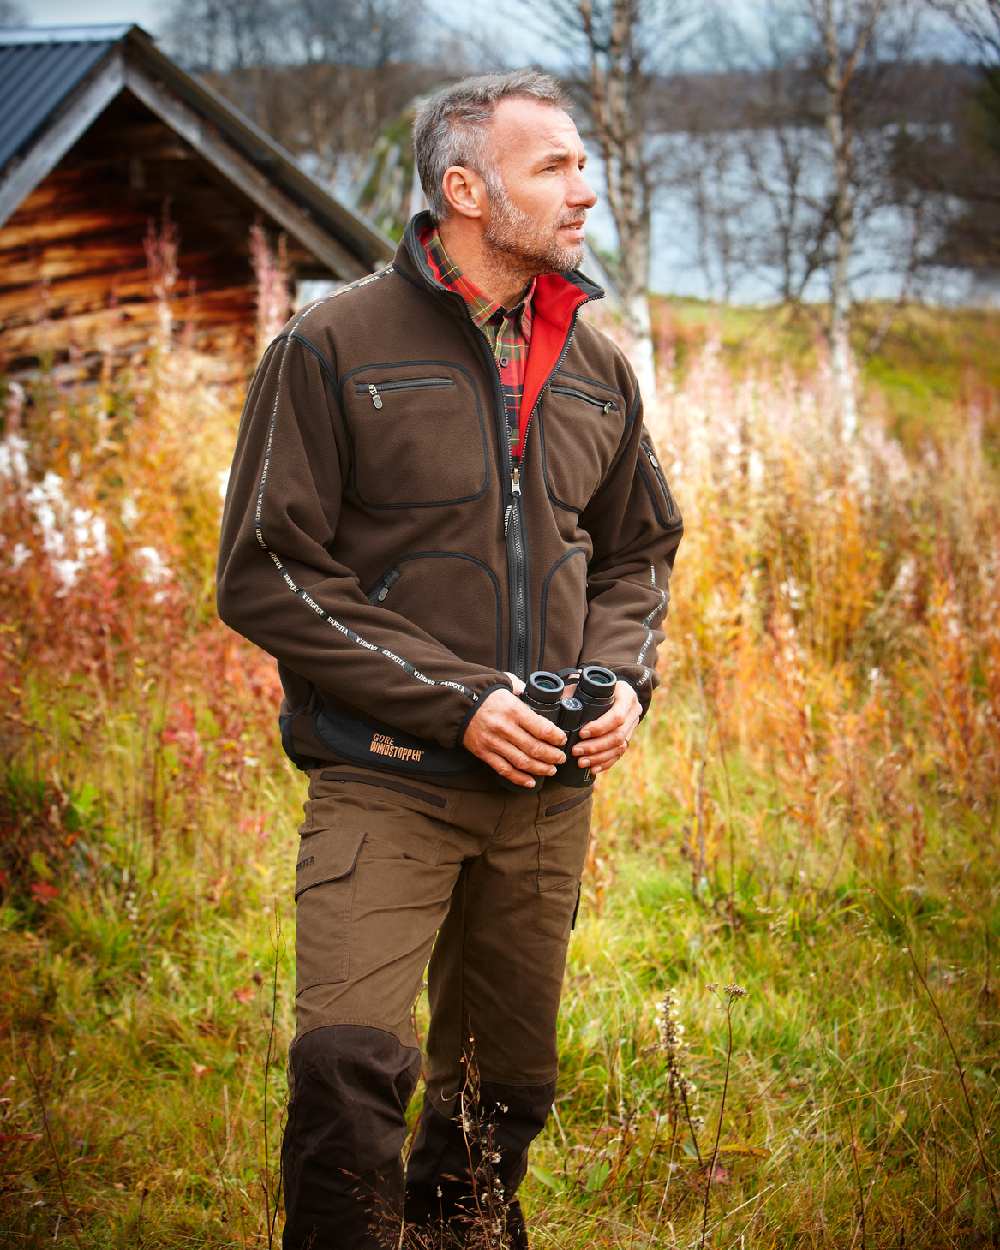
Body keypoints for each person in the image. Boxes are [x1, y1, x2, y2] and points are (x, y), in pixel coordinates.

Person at [216, 68, 683, 1250]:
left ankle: (464, 1231)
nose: (586, 189)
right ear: (465, 189)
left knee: (503, 1091)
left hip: (544, 794)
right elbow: (267, 567)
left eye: (582, 162)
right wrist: (459, 698)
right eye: (555, 167)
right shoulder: (329, 345)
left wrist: (623, 678)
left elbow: (640, 547)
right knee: (347, 1074)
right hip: (385, 773)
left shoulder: (594, 359)